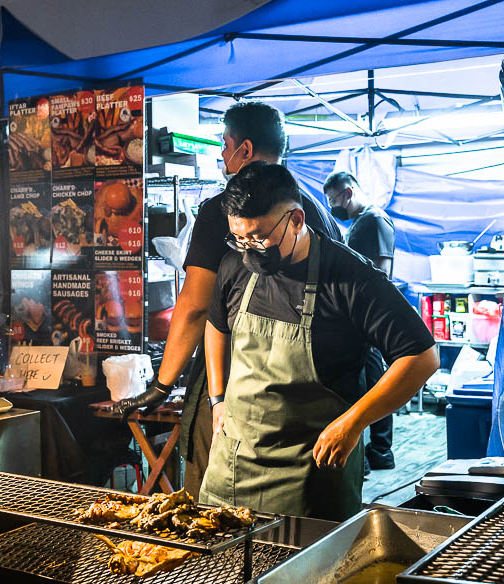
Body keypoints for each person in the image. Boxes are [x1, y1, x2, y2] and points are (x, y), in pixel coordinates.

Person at [115, 102, 343, 498]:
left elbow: (194, 306)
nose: (222, 154)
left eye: (224, 143)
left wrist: (162, 385)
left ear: (246, 149)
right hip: (311, 391)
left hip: (236, 382)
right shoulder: (316, 211)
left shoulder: (226, 209)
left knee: (213, 503)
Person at [199, 162, 437, 520]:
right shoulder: (236, 266)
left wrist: (355, 421)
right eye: (240, 238)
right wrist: (217, 398)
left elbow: (422, 357)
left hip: (310, 472)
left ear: (296, 219)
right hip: (234, 465)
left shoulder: (350, 277)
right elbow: (216, 325)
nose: (249, 250)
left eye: (259, 237)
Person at [323, 170, 398, 470]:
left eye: (333, 201)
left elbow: (383, 271)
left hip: (368, 317)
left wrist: (368, 315)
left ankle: (379, 450)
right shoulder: (360, 223)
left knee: (374, 382)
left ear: (348, 193)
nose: (332, 208)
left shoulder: (375, 221)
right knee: (368, 381)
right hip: (358, 315)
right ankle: (376, 451)